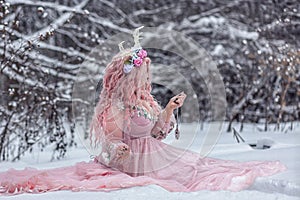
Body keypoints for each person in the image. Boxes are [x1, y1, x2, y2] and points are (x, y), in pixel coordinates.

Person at [0, 27, 287, 195]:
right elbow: (111, 140)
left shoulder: (146, 100)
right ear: (124, 78)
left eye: (146, 75)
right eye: (140, 75)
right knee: (178, 183)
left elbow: (158, 133)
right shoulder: (115, 106)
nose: (144, 81)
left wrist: (169, 110)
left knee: (203, 169)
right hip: (135, 161)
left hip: (156, 153)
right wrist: (119, 149)